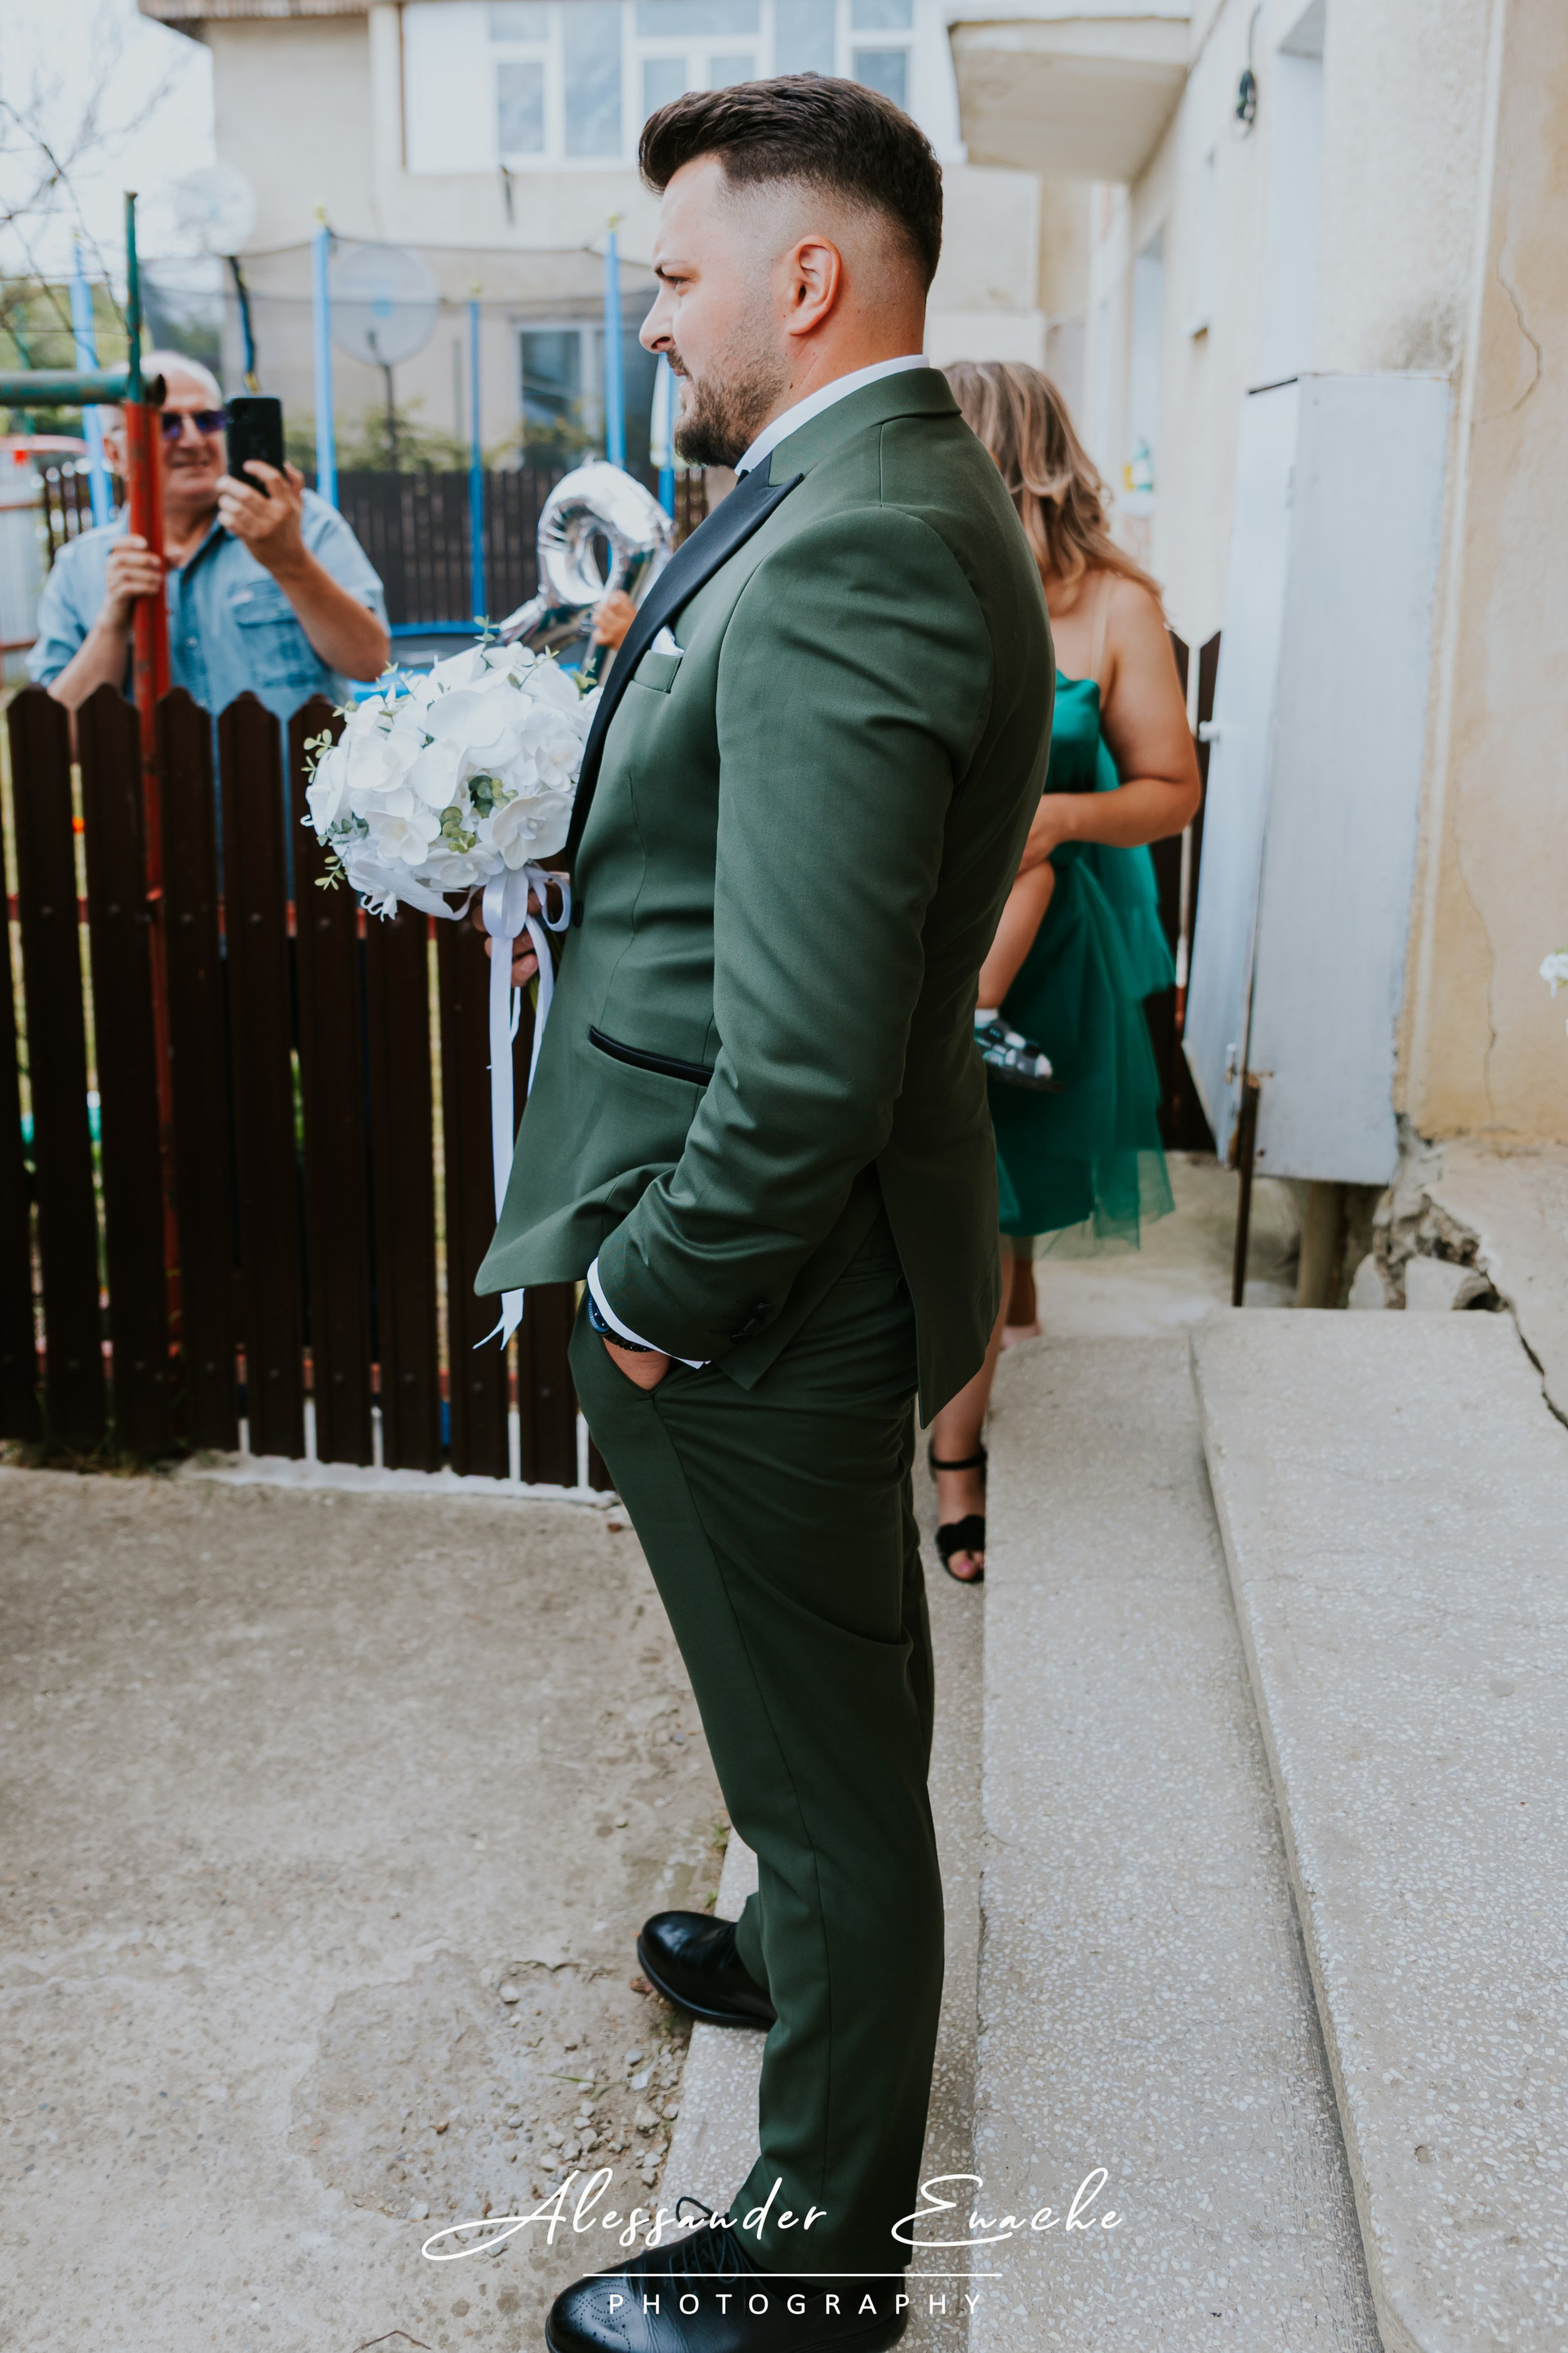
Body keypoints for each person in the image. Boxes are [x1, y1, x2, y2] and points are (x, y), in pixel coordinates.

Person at [473, 78, 1053, 2353]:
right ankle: (802, 1954)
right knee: (823, 1689)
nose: (651, 321)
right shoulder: (857, 488)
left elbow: (803, 1061)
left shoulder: (856, 542)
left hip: (755, 1281)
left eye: (673, 276)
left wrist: (652, 1290)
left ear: (805, 278)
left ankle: (817, 2252)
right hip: (806, 1258)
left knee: (827, 1777)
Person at [926, 359, 1201, 1584]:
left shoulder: (1117, 607)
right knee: (969, 1198)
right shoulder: (917, 577)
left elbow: (1171, 791)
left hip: (1038, 957)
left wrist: (1061, 819)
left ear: (1003, 461)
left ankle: (957, 1462)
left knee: (984, 1203)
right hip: (913, 930)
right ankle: (1000, 1350)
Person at [29, 351, 390, 722]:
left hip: (297, 764)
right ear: (116, 453)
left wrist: (290, 562)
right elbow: (58, 734)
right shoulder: (80, 567)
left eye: (207, 420)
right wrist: (112, 624)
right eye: (166, 423)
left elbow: (371, 664)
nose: (192, 439)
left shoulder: (299, 522)